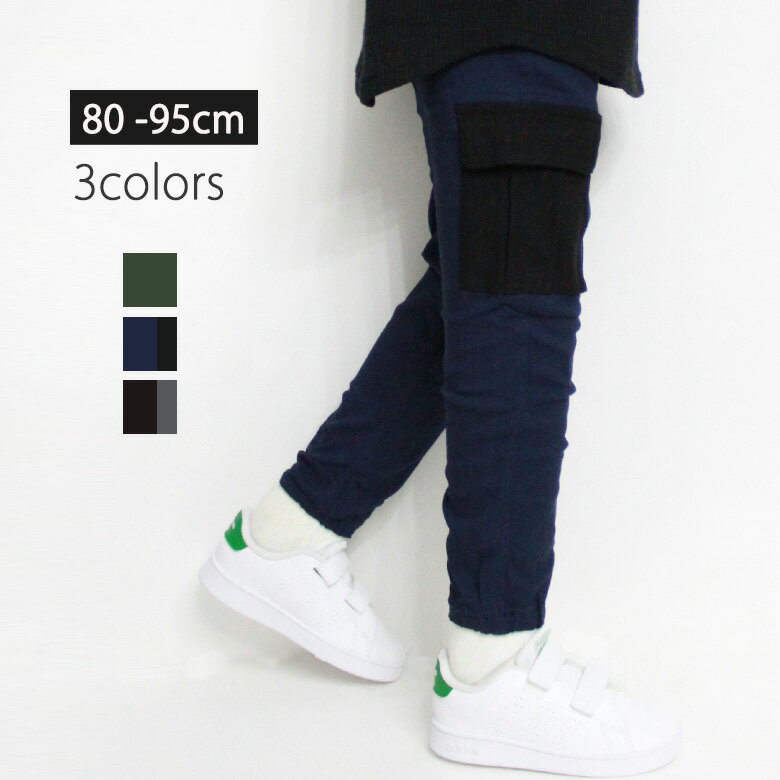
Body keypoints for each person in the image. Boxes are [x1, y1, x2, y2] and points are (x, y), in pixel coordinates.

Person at [200, 1, 683, 775]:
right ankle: (493, 660)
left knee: (492, 282)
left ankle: (292, 531)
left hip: (511, 23)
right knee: (516, 299)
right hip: (515, 19)